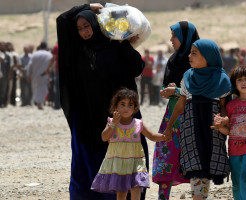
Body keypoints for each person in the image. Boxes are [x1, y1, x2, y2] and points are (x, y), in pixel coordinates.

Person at [56, 3, 146, 200]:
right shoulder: (78, 51)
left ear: (96, 25)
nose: (84, 32)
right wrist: (86, 6)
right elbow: (61, 21)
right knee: (88, 173)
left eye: (87, 26)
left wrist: (124, 44)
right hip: (88, 121)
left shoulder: (115, 45)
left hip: (117, 118)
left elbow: (137, 67)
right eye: (80, 29)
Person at [163, 39, 231, 200]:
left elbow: (224, 107)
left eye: (194, 53)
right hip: (191, 130)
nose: (189, 56)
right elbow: (181, 104)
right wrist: (169, 125)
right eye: (190, 52)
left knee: (207, 166)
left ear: (208, 56)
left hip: (213, 132)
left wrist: (223, 121)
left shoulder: (222, 80)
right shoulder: (188, 77)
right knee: (195, 168)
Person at [152, 21, 199, 200]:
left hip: (192, 118)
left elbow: (201, 91)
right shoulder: (173, 60)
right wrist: (167, 90)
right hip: (171, 117)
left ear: (186, 37)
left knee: (195, 162)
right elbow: (167, 84)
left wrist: (177, 91)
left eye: (175, 36)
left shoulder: (198, 61)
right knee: (166, 157)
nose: (171, 40)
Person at [91, 88, 166, 200]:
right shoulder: (111, 122)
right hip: (119, 165)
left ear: (135, 108)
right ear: (115, 107)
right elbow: (104, 137)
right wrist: (113, 124)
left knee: (136, 187)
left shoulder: (138, 123)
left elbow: (151, 136)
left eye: (130, 105)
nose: (126, 108)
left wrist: (165, 137)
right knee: (121, 194)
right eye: (122, 104)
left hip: (136, 163)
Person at [211, 65, 246, 200]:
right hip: (235, 149)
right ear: (234, 84)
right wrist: (219, 127)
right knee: (236, 182)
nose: (243, 82)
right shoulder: (231, 105)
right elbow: (229, 130)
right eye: (239, 80)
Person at [26, 42, 52, 110]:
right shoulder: (49, 54)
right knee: (43, 89)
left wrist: (28, 74)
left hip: (34, 75)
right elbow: (52, 64)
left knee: (36, 89)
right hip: (45, 75)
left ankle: (38, 103)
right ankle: (39, 103)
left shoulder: (34, 54)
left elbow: (30, 65)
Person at [45, 42, 60, 109]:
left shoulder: (56, 47)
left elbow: (53, 59)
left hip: (59, 70)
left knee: (58, 88)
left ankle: (57, 105)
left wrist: (48, 69)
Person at [0, 41, 11, 108]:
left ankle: (2, 103)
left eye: (3, 45)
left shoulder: (7, 55)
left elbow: (9, 66)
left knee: (3, 90)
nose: (2, 46)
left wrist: (9, 75)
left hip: (4, 74)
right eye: (1, 45)